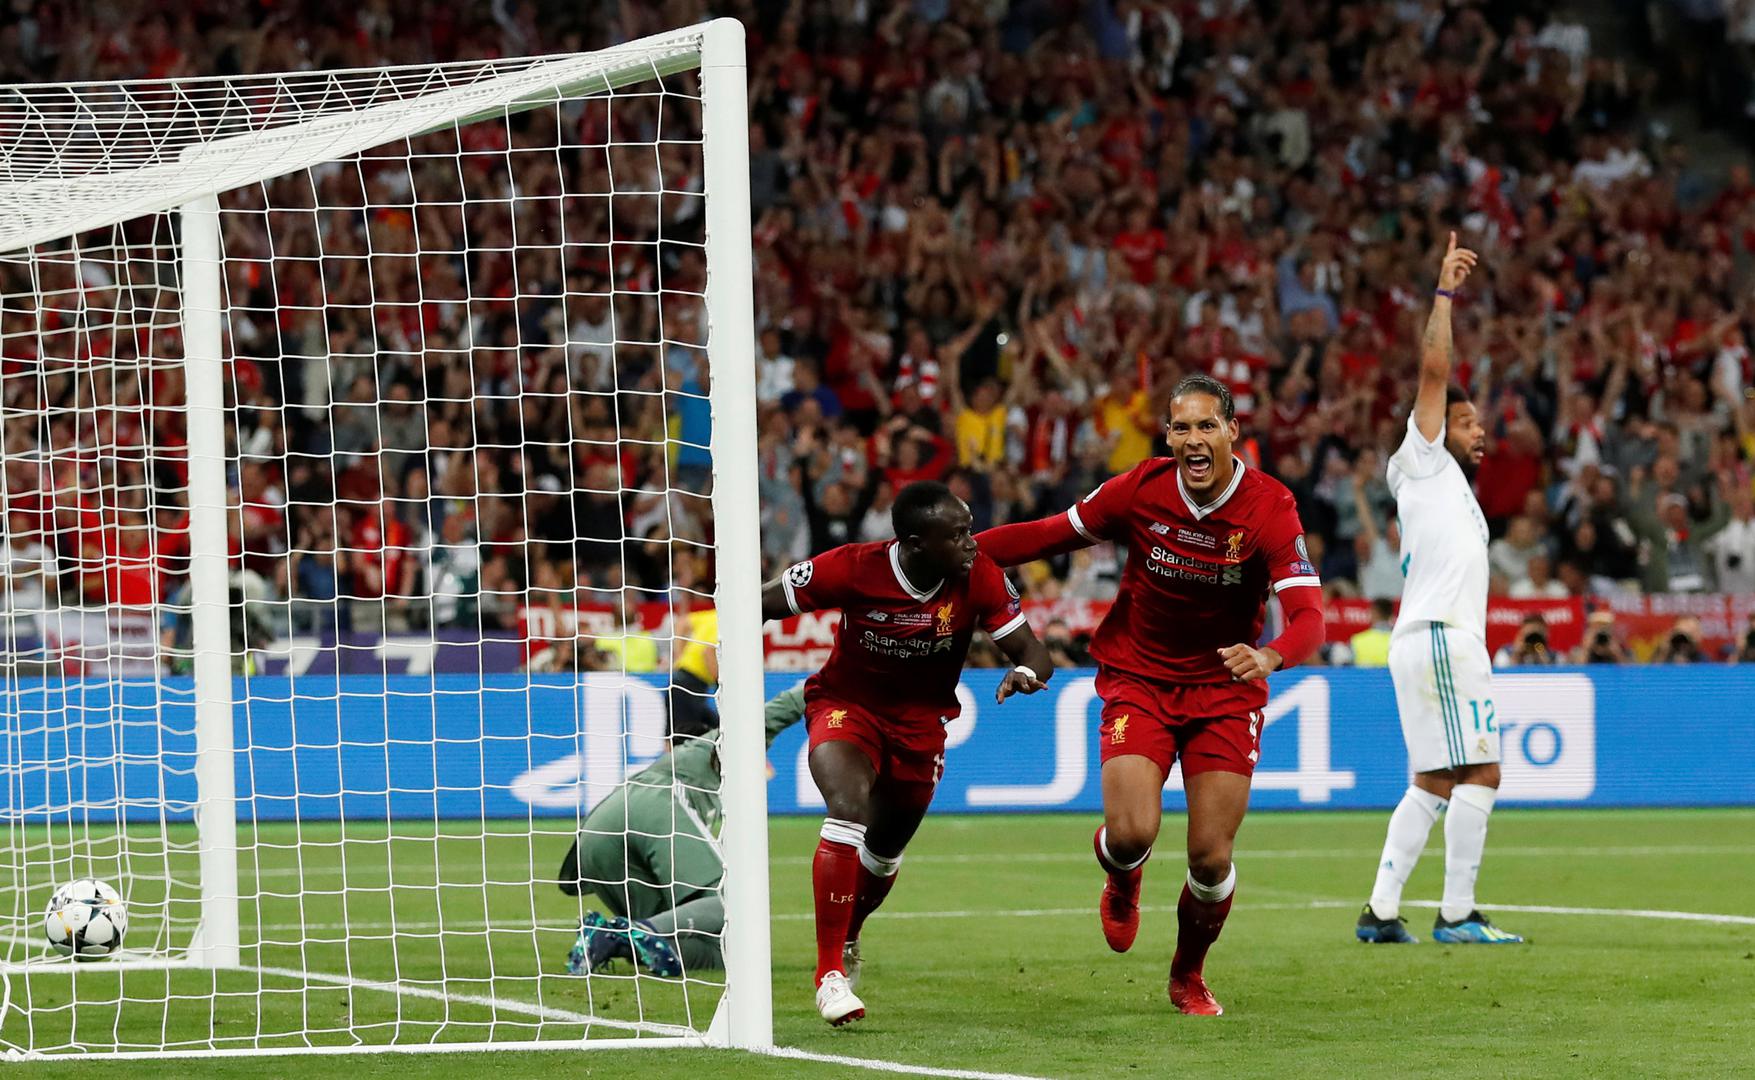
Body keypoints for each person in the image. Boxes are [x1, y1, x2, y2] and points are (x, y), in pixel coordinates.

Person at [974, 372, 1326, 1017]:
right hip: (1140, 679)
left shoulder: (1270, 507)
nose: (1193, 439)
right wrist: (959, 553)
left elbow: (1310, 618)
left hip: (1225, 689)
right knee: (1131, 833)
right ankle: (1123, 875)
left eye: (1207, 425)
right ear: (1167, 436)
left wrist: (1271, 655)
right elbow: (1049, 534)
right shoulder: (1140, 488)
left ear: (1232, 432)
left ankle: (1188, 975)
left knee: (1210, 858)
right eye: (1181, 427)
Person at [760, 480, 1054, 1026]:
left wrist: (1025, 671)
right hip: (847, 706)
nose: (972, 543)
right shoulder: (852, 567)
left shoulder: (979, 575)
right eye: (958, 534)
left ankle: (850, 934)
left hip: (921, 729)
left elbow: (1035, 651)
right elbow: (761, 603)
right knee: (847, 808)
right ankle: (829, 974)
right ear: (916, 544)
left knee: (884, 852)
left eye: (970, 530)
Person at [1356, 235, 1524, 947]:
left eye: (1480, 422)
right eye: (1466, 420)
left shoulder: (1452, 489)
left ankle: (1380, 912)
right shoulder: (1422, 458)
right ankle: (1457, 914)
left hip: (1424, 638)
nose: (1478, 431)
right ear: (1434, 426)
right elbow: (1433, 368)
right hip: (1443, 639)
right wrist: (1445, 293)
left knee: (1432, 779)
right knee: (1482, 769)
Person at [559, 686, 807, 976]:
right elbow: (777, 711)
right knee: (735, 899)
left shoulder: (677, 775)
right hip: (652, 808)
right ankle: (631, 932)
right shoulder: (712, 747)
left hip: (595, 834)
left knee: (707, 950)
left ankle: (607, 937)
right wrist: (822, 683)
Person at [1494, 614, 1558, 667]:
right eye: (1529, 635)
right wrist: (1516, 656)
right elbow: (1500, 674)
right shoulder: (1505, 653)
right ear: (1521, 634)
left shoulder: (1555, 656)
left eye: (1536, 636)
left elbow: (1557, 675)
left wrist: (1545, 659)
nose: (1533, 640)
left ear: (1546, 635)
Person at [1349, 599, 1395, 668]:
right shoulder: (1399, 640)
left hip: (1363, 675)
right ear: (1391, 614)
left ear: (1374, 612)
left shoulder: (1357, 640)